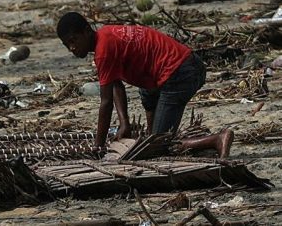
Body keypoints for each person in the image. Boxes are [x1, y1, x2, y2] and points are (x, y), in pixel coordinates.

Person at [56, 12, 234, 157]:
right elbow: (116, 84)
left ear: (87, 31)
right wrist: (124, 122)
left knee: (160, 146)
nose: (72, 48)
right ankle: (154, 134)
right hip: (176, 68)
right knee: (147, 95)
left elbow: (106, 102)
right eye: (67, 45)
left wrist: (98, 146)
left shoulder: (103, 50)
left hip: (180, 72)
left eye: (74, 40)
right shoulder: (106, 34)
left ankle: (216, 139)